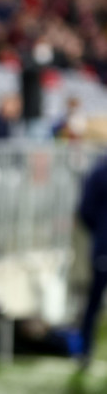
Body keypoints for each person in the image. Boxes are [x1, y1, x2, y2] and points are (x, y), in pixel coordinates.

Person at [78, 156, 107, 368]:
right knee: (93, 299)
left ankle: (84, 351)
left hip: (102, 244)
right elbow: (85, 210)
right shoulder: (99, 172)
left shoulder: (99, 170)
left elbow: (85, 210)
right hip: (103, 245)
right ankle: (84, 350)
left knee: (93, 301)